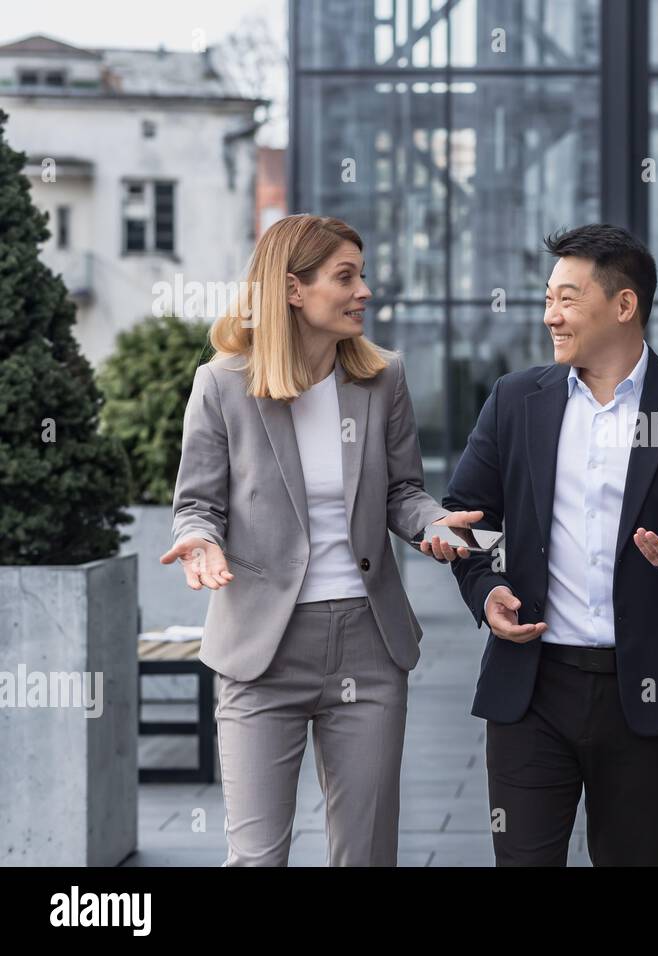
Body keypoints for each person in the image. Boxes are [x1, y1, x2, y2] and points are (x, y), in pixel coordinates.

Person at [162, 214, 480, 866]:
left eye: (360, 274)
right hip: (261, 652)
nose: (364, 290)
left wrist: (434, 524)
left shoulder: (381, 377)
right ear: (292, 289)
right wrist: (200, 541)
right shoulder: (222, 385)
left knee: (364, 855)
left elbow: (403, 492)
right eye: (346, 276)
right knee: (256, 857)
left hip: (369, 646)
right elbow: (197, 504)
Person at [430, 224, 658, 865]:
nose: (551, 315)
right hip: (532, 687)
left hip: (645, 693)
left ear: (623, 306)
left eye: (567, 299)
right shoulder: (517, 401)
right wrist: (486, 587)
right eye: (548, 298)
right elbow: (469, 521)